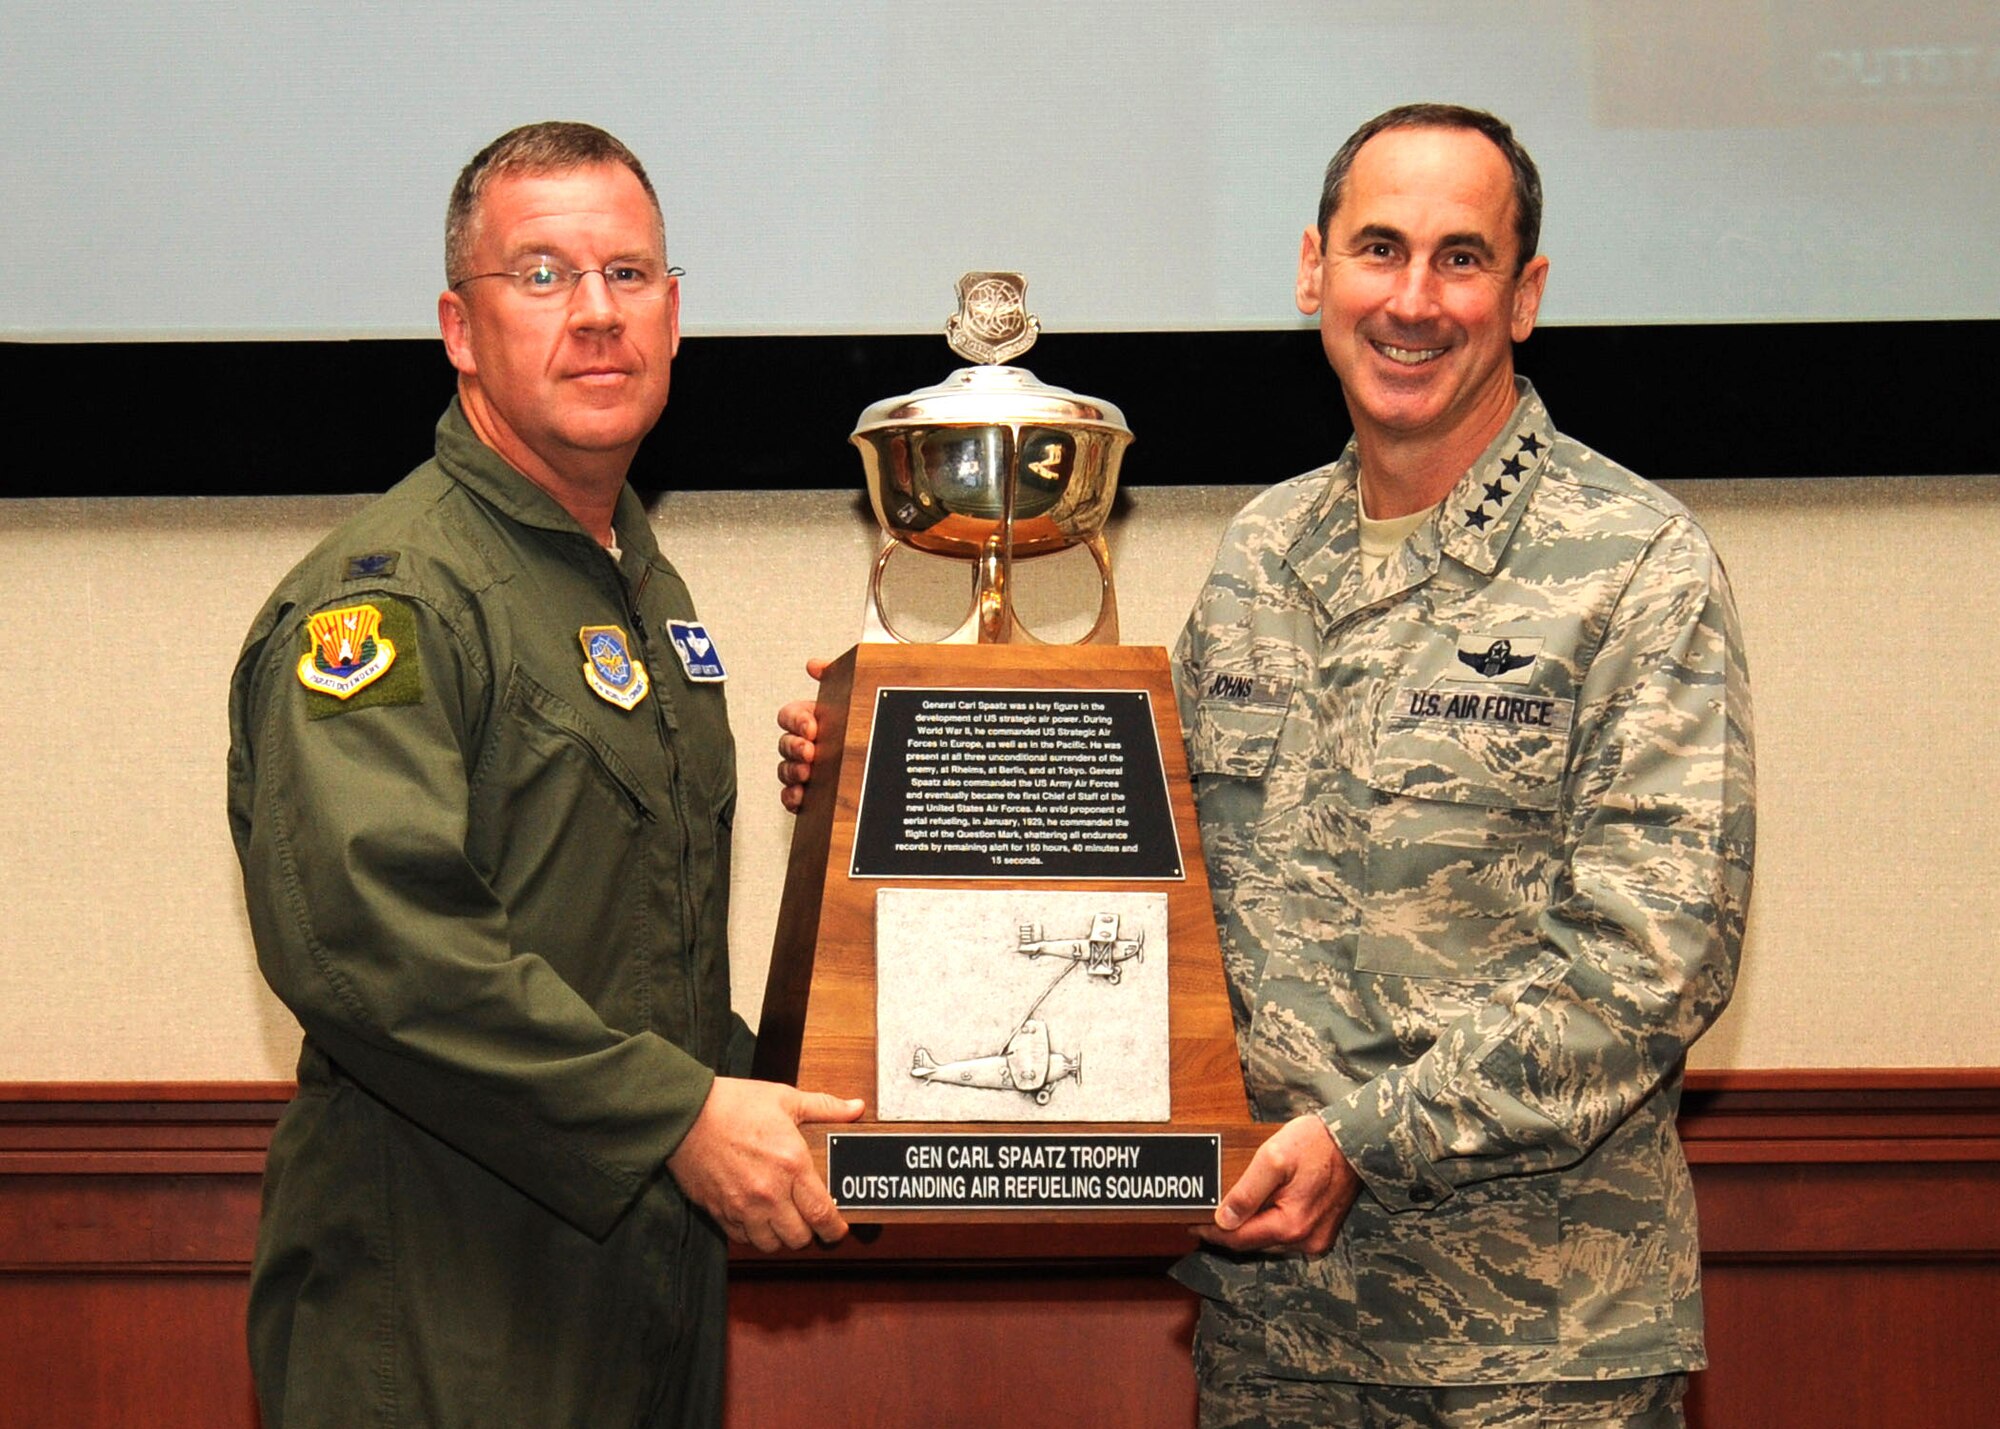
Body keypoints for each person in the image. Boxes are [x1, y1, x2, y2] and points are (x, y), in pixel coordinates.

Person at [779, 103, 1753, 1427]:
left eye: (1462, 259)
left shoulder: (1636, 565)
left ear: (1525, 296)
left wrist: (1365, 1139)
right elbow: (1132, 863)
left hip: (1535, 1352)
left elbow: (1654, 962)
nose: (1412, 300)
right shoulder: (1261, 558)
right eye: (1379, 249)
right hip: (1275, 1334)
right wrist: (893, 777)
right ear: (1314, 270)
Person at [229, 121, 860, 1429]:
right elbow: (376, 943)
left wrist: (833, 1081)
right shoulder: (395, 600)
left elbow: (636, 965)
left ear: (674, 314)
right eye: (542, 275)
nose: (596, 313)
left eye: (628, 274)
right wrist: (680, 1117)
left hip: (643, 1300)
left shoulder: (643, 590)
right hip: (443, 1314)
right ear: (460, 329)